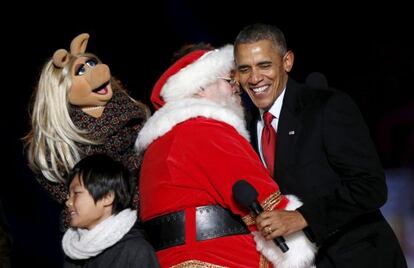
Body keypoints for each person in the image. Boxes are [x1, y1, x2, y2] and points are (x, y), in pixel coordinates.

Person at [234, 23, 407, 267]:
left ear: (287, 62)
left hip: (358, 258)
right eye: (244, 69)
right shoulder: (246, 127)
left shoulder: (326, 107)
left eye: (264, 65)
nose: (254, 78)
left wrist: (302, 218)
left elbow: (371, 186)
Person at [135, 44, 316, 267]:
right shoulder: (205, 128)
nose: (237, 87)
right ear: (200, 87)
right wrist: (298, 243)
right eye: (229, 81)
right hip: (218, 258)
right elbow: (261, 196)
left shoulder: (162, 141)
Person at [24, 33, 148, 226]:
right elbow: (75, 202)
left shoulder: (131, 114)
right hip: (105, 234)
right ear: (62, 88)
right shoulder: (57, 150)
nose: (95, 70)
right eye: (81, 70)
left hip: (158, 211)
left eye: (92, 64)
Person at [62, 153, 159, 267]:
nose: (68, 202)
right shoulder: (74, 255)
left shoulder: (135, 251)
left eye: (77, 193)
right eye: (68, 195)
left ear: (107, 197)